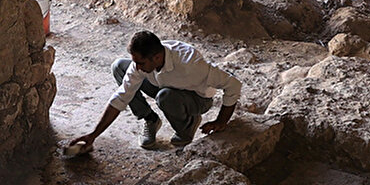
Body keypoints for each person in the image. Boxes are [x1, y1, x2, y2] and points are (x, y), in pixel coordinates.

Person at [69, 30, 243, 153]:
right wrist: (93, 135)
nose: (137, 67)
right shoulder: (145, 63)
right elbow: (121, 97)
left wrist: (221, 121)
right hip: (165, 86)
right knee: (119, 67)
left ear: (157, 57)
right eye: (135, 61)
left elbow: (233, 85)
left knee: (165, 97)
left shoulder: (191, 65)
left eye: (141, 63)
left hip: (197, 98)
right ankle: (150, 119)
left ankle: (187, 126)